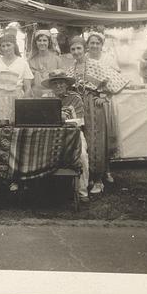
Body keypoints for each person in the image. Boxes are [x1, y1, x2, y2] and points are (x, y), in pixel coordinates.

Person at [67, 36, 129, 195]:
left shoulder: (96, 65)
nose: (76, 52)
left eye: (78, 48)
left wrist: (104, 96)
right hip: (79, 107)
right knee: (83, 140)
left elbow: (118, 81)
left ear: (84, 49)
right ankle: (85, 178)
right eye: (73, 49)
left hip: (94, 105)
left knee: (96, 141)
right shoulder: (70, 69)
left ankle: (98, 179)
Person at [41, 70, 91, 204]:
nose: (58, 86)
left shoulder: (75, 98)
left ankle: (82, 191)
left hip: (73, 134)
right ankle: (39, 189)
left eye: (61, 83)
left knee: (82, 156)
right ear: (51, 86)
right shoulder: (45, 98)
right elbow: (41, 120)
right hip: (50, 134)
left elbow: (79, 122)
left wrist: (59, 118)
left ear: (67, 84)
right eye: (55, 83)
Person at [0, 34, 34, 124]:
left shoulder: (22, 63)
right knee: (3, 127)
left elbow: (28, 88)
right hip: (1, 99)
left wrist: (23, 104)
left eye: (8, 45)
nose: (6, 48)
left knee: (17, 125)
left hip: (17, 98)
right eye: (3, 46)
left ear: (14, 45)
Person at [28, 29, 64, 98]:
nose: (42, 43)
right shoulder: (31, 60)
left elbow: (62, 80)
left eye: (44, 40)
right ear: (36, 43)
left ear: (49, 42)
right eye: (39, 40)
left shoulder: (57, 59)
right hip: (35, 95)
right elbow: (29, 82)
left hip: (53, 94)